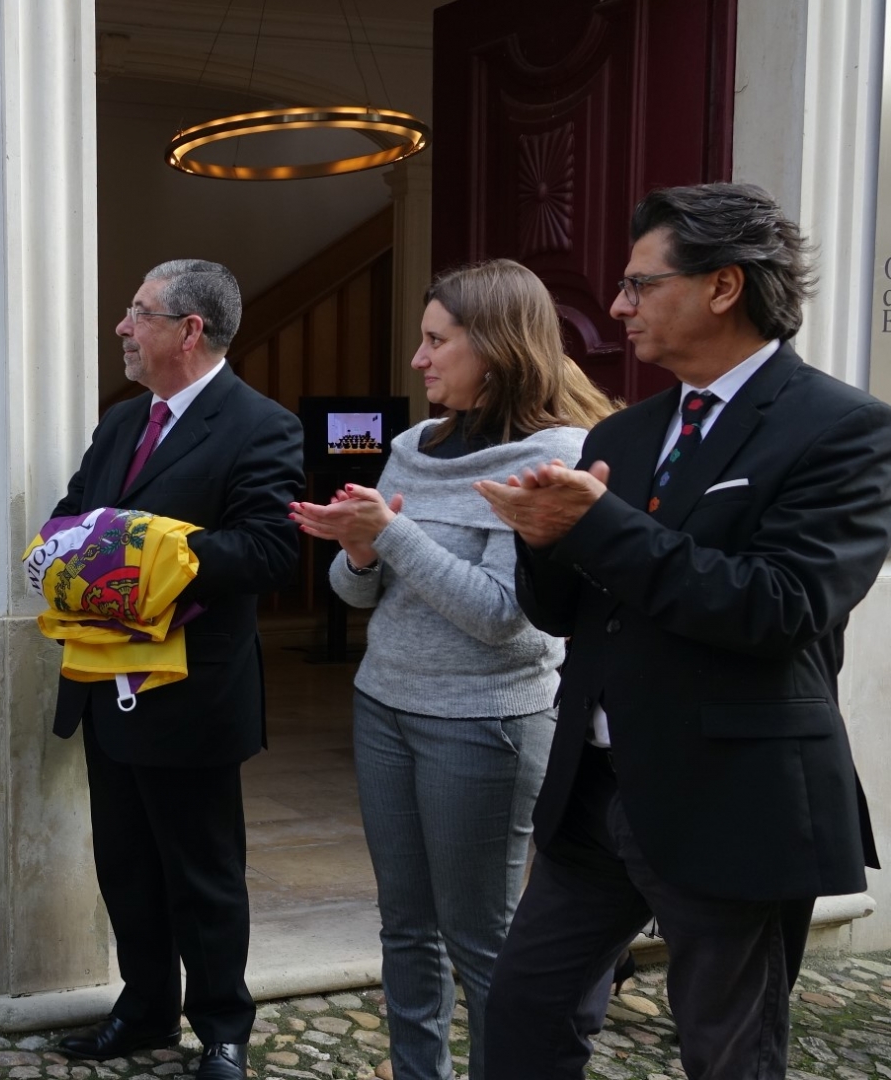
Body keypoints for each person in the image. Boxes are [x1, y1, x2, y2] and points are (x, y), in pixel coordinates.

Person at [475, 184, 891, 1079]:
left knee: (727, 1051)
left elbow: (780, 605)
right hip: (593, 790)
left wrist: (596, 526)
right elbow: (564, 611)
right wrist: (541, 539)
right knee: (522, 1016)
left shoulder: (846, 429)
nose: (617, 306)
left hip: (732, 794)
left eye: (639, 283)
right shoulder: (623, 431)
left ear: (723, 286)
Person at [289, 259, 616, 1080]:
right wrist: (359, 549)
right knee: (404, 925)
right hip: (384, 705)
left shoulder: (556, 457)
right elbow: (361, 595)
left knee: (483, 937)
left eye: (437, 340)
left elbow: (509, 619)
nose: (418, 359)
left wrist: (391, 537)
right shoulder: (412, 447)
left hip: (485, 722)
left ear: (497, 349)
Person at [46, 260, 303, 1080]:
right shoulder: (122, 422)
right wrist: (73, 550)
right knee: (125, 865)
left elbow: (268, 549)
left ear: (189, 330)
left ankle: (223, 1027)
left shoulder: (261, 425)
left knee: (204, 874)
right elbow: (74, 511)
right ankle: (145, 1007)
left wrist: (147, 554)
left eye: (137, 313)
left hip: (191, 690)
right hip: (104, 683)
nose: (122, 328)